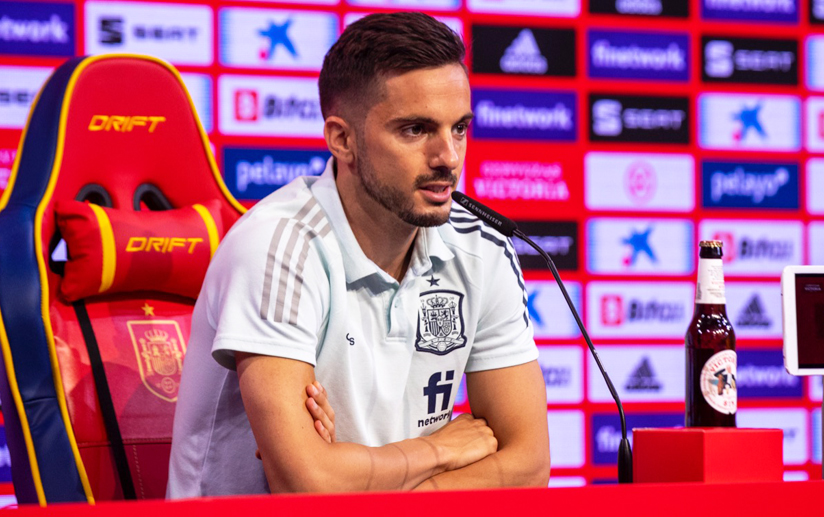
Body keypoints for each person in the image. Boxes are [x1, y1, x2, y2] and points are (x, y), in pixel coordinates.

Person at [167, 11, 549, 497]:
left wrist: (368, 481)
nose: (448, 157)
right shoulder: (278, 246)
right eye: (415, 130)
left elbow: (529, 466)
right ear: (341, 139)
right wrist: (438, 450)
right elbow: (304, 485)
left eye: (459, 128)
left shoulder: (482, 248)